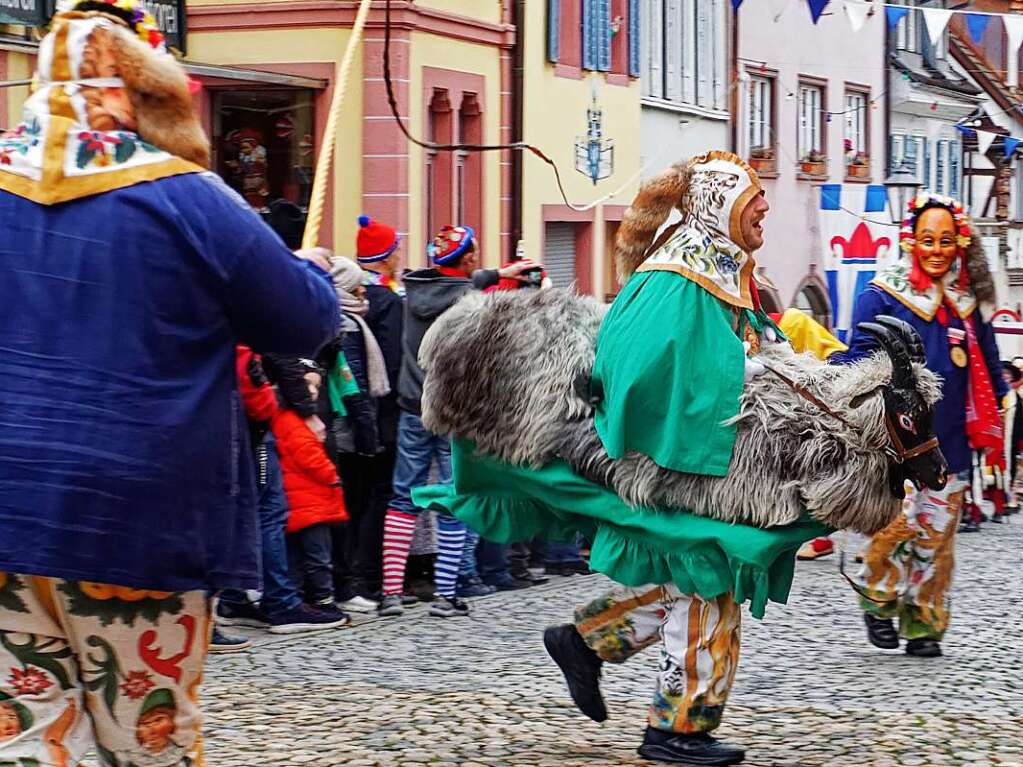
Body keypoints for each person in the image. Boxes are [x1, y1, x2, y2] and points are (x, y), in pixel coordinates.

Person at [416, 152, 846, 766]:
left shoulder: (721, 269)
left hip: (710, 461)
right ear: (721, 203)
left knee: (692, 583)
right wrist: (743, 375)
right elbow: (639, 367)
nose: (766, 210)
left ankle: (585, 642)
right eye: (755, 201)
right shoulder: (674, 278)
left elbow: (751, 341)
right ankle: (676, 731)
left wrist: (788, 367)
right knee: (707, 588)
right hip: (675, 464)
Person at [0, 2, 339, 763]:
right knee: (145, 735)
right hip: (136, 514)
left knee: (24, 732)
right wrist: (305, 269)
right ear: (139, 90)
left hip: (7, 502)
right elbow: (303, 322)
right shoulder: (187, 196)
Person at [832, 193, 1005, 658]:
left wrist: (1001, 405)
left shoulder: (965, 302)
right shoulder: (881, 293)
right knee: (891, 527)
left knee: (936, 536)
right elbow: (859, 357)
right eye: (927, 239)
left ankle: (924, 625)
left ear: (960, 243)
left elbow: (988, 363)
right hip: (894, 442)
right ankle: (878, 599)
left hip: (948, 443)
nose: (936, 249)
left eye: (946, 240)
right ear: (911, 240)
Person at [377, 226, 541, 618]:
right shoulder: (468, 304)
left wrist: (498, 273)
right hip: (451, 413)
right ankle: (446, 594)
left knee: (403, 498)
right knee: (456, 497)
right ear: (465, 259)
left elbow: (463, 282)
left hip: (412, 407)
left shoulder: (414, 290)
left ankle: (390, 595)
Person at [328, 255, 395, 612]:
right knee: (350, 510)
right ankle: (347, 583)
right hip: (348, 437)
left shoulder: (348, 320)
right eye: (356, 286)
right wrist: (370, 437)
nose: (363, 291)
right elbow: (353, 385)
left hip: (346, 433)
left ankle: (343, 580)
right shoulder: (348, 326)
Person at [277, 365, 351, 613]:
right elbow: (309, 457)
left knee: (297, 557)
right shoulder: (295, 422)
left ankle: (297, 598)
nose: (313, 391)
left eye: (317, 386)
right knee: (318, 556)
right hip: (310, 503)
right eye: (307, 384)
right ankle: (322, 599)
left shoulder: (287, 419)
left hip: (300, 503)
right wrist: (333, 476)